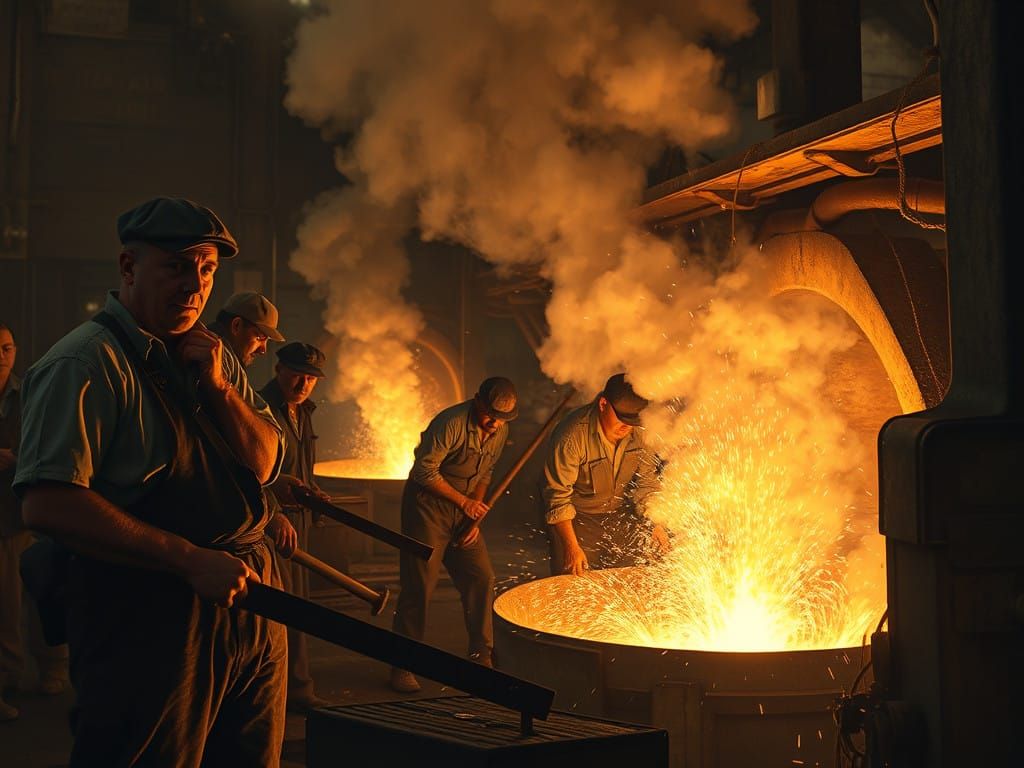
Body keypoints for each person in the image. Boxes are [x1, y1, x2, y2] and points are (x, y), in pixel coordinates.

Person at [13, 197, 288, 765]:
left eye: (207, 269)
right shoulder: (84, 365)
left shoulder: (216, 359)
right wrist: (189, 560)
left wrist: (217, 388)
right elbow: (47, 505)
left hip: (248, 600)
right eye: (177, 266)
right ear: (128, 268)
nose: (195, 285)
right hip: (150, 617)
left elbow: (262, 465)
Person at [390, 377, 517, 693]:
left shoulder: (500, 430)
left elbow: (485, 474)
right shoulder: (450, 423)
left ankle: (480, 655)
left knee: (482, 577)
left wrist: (474, 520)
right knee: (419, 587)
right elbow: (423, 472)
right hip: (427, 509)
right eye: (490, 415)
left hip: (463, 509)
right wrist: (465, 503)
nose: (494, 423)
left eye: (502, 419)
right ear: (477, 402)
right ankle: (402, 664)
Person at [0, 325, 69, 721]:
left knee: (43, 593)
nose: (2, 356)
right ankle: (8, 678)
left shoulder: (29, 392)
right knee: (6, 606)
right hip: (5, 515)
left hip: (32, 508)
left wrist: (17, 461)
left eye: (7, 348)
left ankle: (53, 667)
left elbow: (49, 442)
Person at [259, 341, 331, 713]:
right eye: (297, 375)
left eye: (310, 379)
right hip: (268, 524)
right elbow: (246, 471)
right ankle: (280, 692)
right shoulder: (258, 408)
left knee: (297, 607)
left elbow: (298, 465)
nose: (303, 384)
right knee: (278, 610)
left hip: (294, 519)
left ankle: (295, 690)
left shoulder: (303, 411)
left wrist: (312, 491)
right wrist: (274, 513)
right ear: (279, 370)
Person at [541, 372, 668, 576]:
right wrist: (571, 547)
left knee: (627, 578)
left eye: (633, 419)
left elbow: (647, 484)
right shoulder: (571, 436)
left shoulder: (641, 431)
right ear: (602, 404)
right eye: (621, 418)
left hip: (618, 515)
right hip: (577, 519)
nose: (627, 426)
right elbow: (558, 498)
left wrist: (656, 524)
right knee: (573, 584)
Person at [206, 290, 286, 367]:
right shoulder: (207, 357)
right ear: (236, 326)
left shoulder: (228, 363)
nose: (263, 350)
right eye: (259, 338)